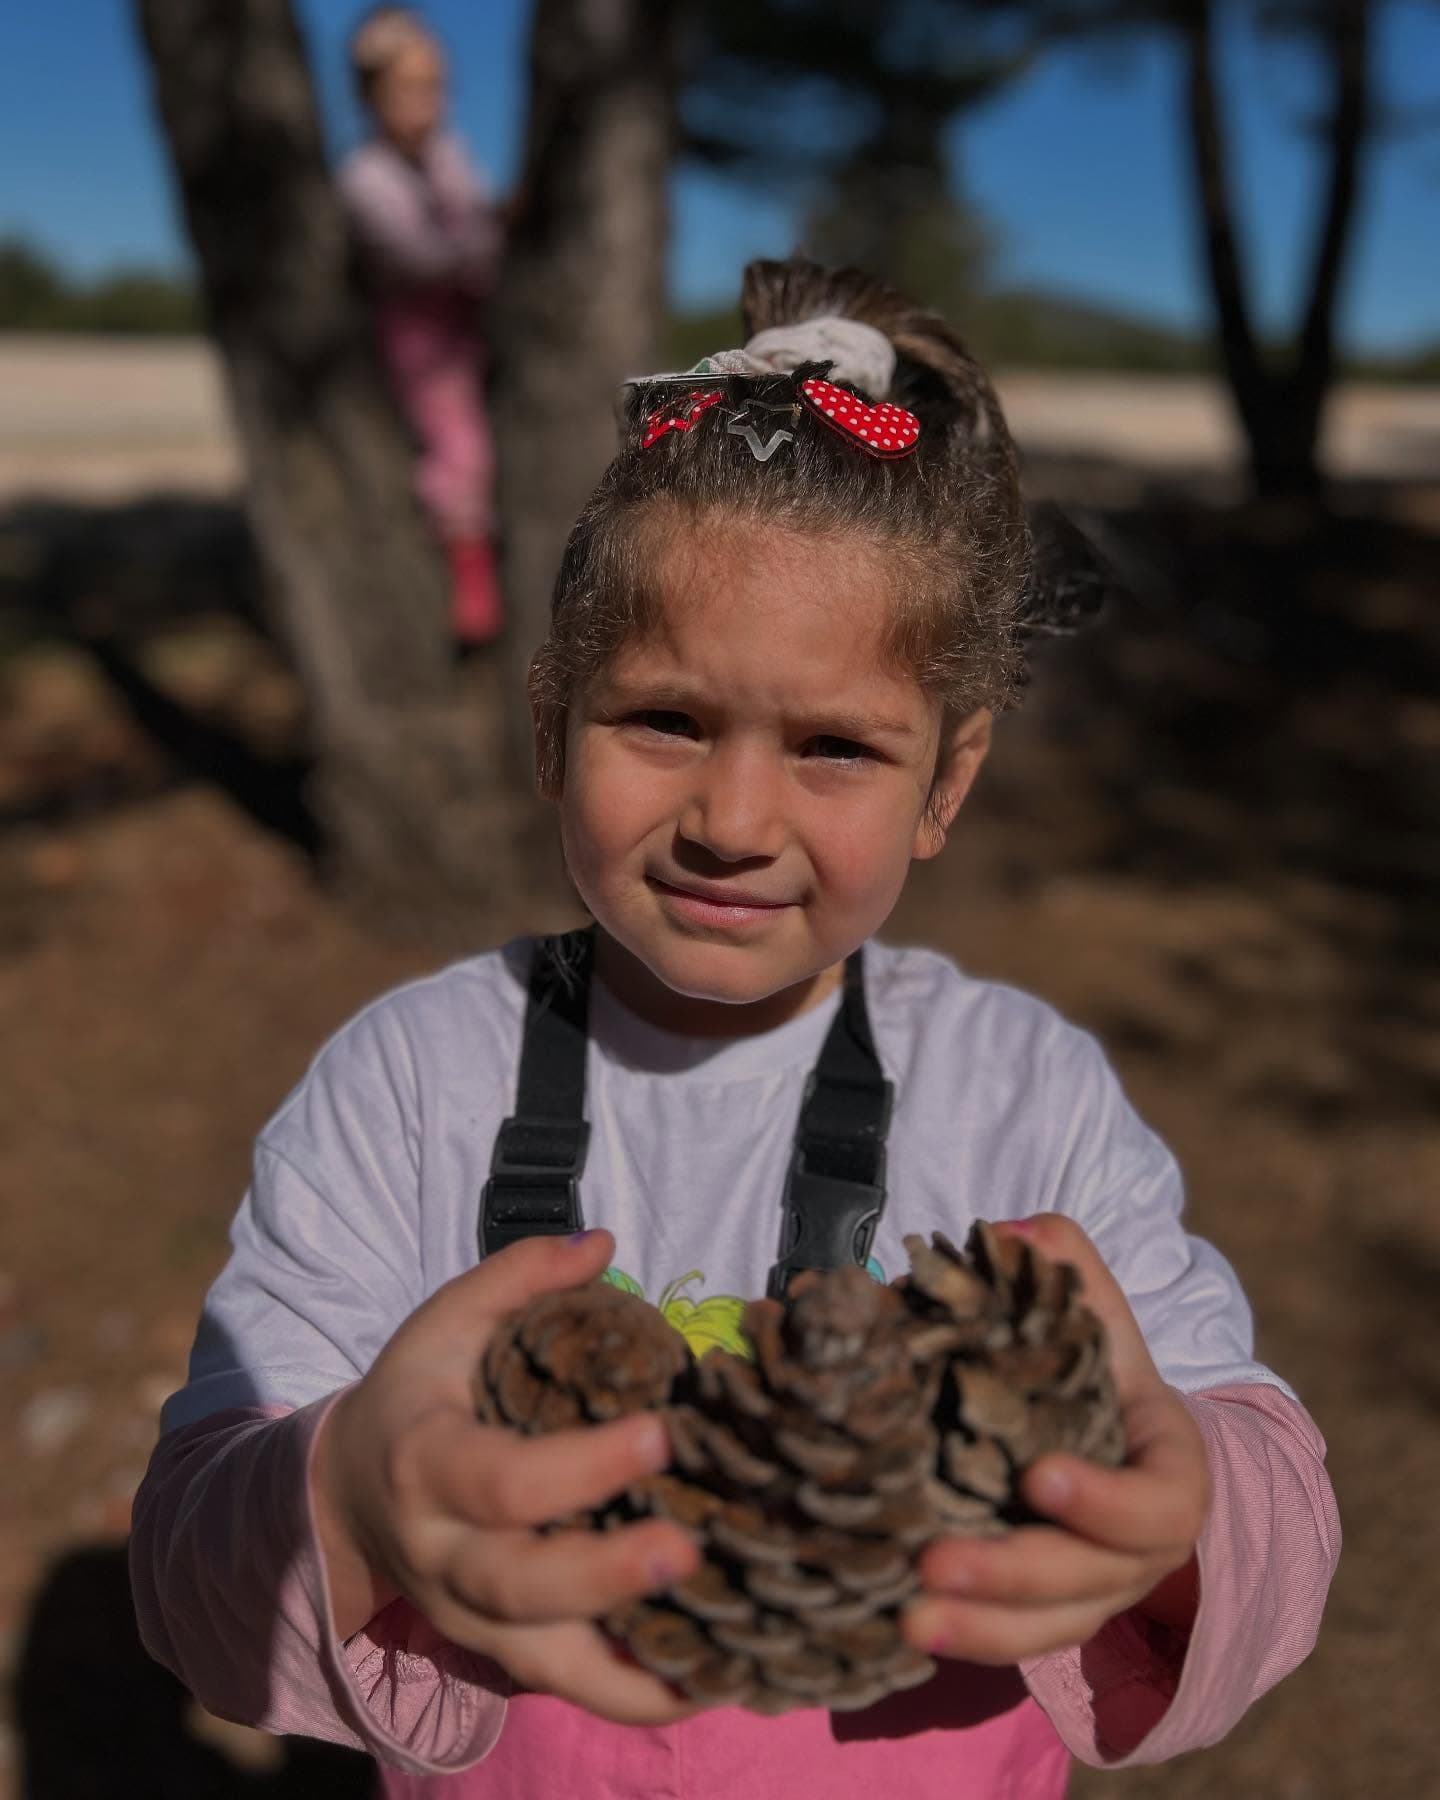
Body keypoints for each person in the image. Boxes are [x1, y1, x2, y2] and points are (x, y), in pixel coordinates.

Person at [130, 258, 1340, 1798]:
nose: (735, 820)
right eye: (666, 721)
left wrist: (1186, 1521)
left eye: (836, 747)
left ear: (946, 787)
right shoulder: (409, 1082)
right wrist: (355, 1508)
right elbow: (190, 1567)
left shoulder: (1025, 1095)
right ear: (550, 718)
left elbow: (1271, 1502)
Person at [340, 6, 504, 646]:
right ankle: (469, 563)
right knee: (459, 446)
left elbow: (472, 223)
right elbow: (420, 255)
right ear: (370, 96)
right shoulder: (365, 179)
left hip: (469, 323)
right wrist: (482, 243)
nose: (426, 104)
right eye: (408, 88)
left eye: (435, 87)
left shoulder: (449, 155)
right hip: (420, 338)